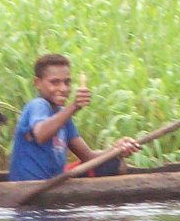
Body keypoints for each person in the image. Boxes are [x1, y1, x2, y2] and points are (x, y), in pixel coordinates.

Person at [8, 54, 139, 182]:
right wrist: (74, 106)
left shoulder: (61, 114)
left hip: (54, 184)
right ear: (37, 83)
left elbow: (88, 156)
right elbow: (41, 134)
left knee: (113, 163)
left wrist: (117, 150)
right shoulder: (38, 105)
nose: (63, 88)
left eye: (67, 82)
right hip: (31, 185)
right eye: (55, 82)